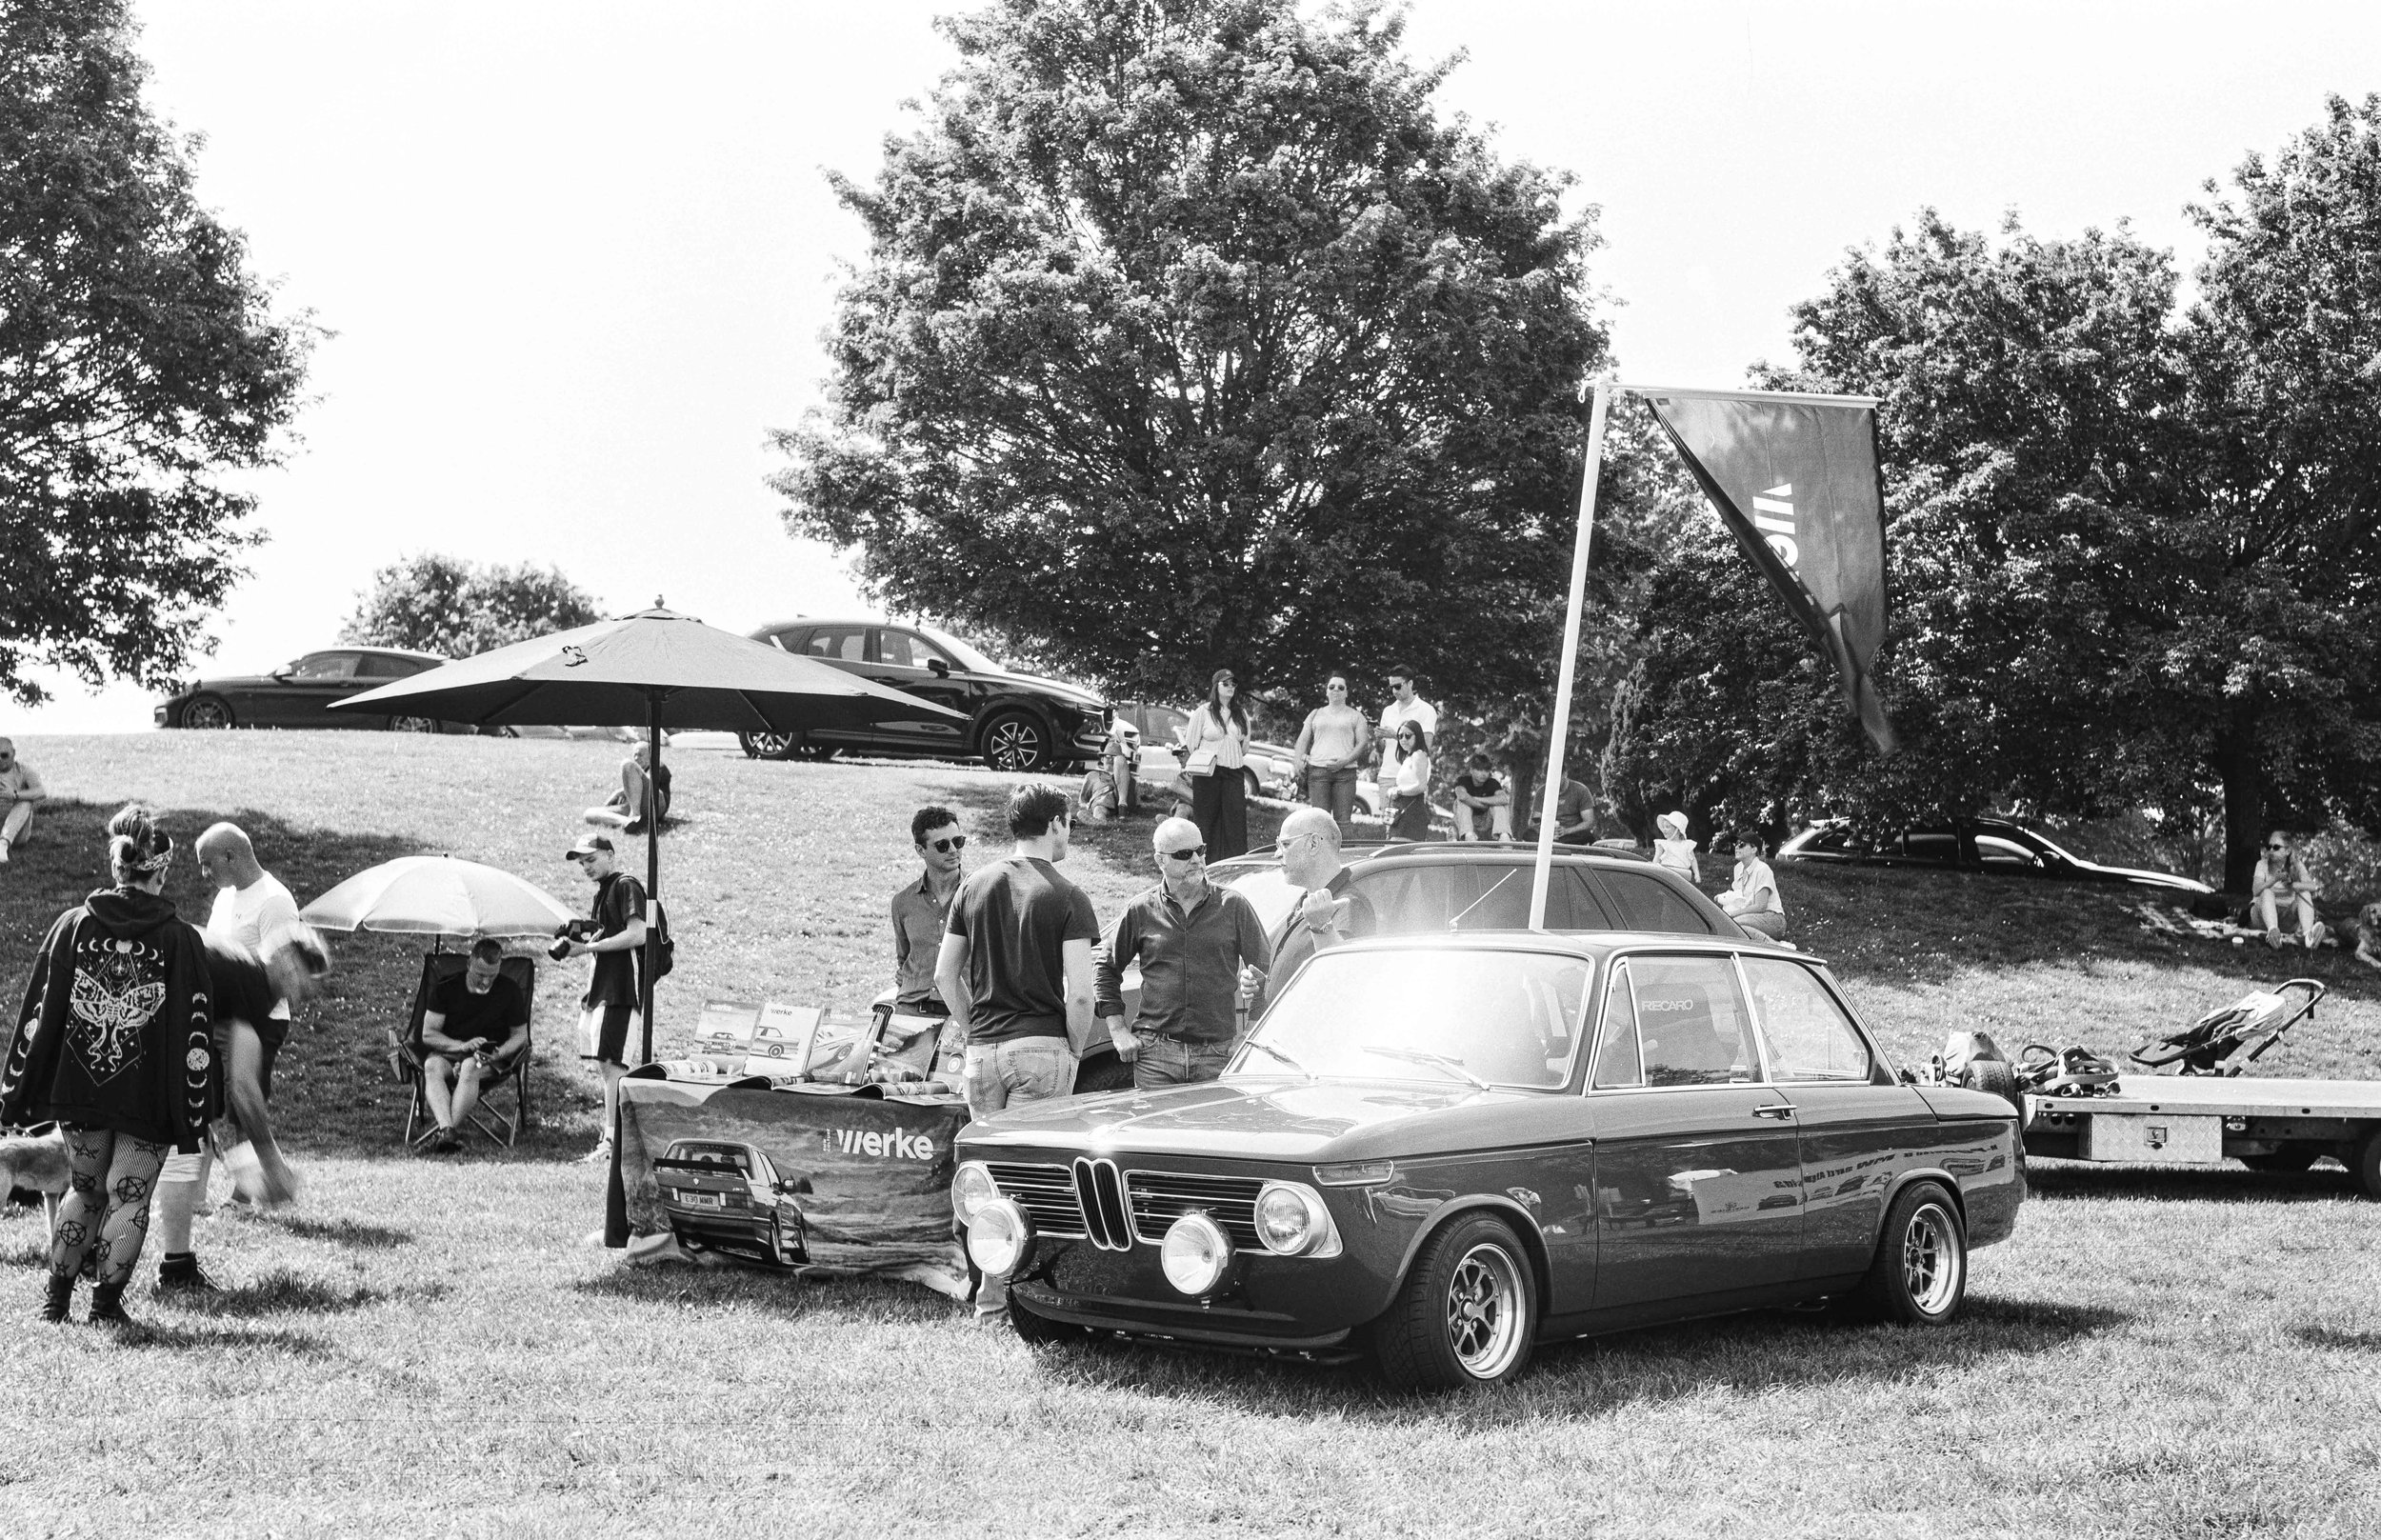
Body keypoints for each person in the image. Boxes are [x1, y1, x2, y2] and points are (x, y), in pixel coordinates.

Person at [3, 805, 212, 1327]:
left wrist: (23, 1086)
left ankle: (56, 1303)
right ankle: (104, 1307)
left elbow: (42, 1012)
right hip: (146, 1096)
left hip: (81, 1089)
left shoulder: (72, 926)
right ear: (160, 872)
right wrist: (194, 1102)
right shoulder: (180, 939)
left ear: (116, 865)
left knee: (85, 1188)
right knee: (129, 1196)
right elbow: (192, 1027)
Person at [934, 783, 1098, 1320]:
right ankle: (1025, 1302)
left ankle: (989, 1301)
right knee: (1031, 1181)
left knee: (989, 1178)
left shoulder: (973, 885)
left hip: (982, 1051)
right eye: (1068, 824)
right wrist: (1073, 1049)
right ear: (1055, 824)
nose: (1069, 833)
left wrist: (973, 1029)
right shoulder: (1068, 895)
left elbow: (944, 975)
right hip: (1041, 1047)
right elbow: (1081, 994)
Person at [152, 821, 306, 1294]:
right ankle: (218, 1190)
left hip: (240, 1014)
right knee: (215, 1103)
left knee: (229, 1104)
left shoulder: (274, 902)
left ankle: (240, 1192)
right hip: (210, 1012)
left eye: (207, 863)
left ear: (232, 856)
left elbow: (286, 962)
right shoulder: (227, 907)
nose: (203, 873)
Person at [1095, 817, 1272, 1090]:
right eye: (1184, 854)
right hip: (1155, 1055)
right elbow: (1106, 968)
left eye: (1200, 850)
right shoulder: (1141, 909)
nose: (1196, 860)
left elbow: (1267, 971)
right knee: (1155, 1122)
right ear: (1160, 860)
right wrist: (1118, 1030)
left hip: (1218, 1053)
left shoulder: (1233, 905)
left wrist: (1250, 1031)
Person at [561, 832, 648, 1165]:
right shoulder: (603, 892)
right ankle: (611, 1137)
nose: (586, 867)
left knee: (613, 1066)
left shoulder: (625, 885)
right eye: (582, 863)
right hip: (604, 990)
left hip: (622, 991)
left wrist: (588, 947)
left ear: (611, 855)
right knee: (606, 1066)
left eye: (591, 859)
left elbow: (637, 934)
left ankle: (615, 1142)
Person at [419, 937, 530, 1151]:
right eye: (480, 975)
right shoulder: (446, 987)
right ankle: (448, 1132)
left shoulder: (509, 990)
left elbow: (520, 1036)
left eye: (492, 975)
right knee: (431, 1066)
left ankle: (446, 1132)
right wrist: (460, 1046)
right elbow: (428, 1034)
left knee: (471, 1066)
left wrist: (499, 1053)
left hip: (491, 1058)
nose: (486, 982)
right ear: (469, 963)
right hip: (451, 1051)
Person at [1263, 808, 1379, 1002]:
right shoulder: (1306, 902)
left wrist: (1321, 926)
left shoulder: (1349, 904)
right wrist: (1265, 985)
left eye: (1285, 844)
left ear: (1314, 844)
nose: (1277, 854)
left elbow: (1344, 975)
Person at [892, 805, 967, 1014]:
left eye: (958, 841)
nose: (953, 850)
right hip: (911, 1008)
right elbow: (904, 959)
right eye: (942, 845)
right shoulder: (903, 902)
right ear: (920, 850)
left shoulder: (980, 896)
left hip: (963, 1012)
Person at [1180, 669, 1251, 862]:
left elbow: (1244, 746)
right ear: (1215, 687)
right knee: (1206, 819)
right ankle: (1203, 862)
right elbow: (1192, 743)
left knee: (1235, 820)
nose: (1230, 687)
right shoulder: (1203, 712)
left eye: (1233, 684)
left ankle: (1235, 863)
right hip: (1208, 773)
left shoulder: (1241, 714)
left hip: (1234, 772)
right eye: (1225, 683)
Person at [1292, 675, 1371, 829]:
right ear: (1326, 691)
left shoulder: (1356, 716)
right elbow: (1303, 739)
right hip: (1318, 772)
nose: (1336, 690)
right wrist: (1297, 761)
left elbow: (1362, 743)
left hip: (1345, 774)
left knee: (1343, 823)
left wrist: (1345, 761)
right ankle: (1321, 845)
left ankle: (1343, 845)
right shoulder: (1315, 714)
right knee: (1320, 821)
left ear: (1346, 693)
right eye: (1332, 687)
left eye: (1341, 687)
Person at [2251, 831, 2325, 950]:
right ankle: (2273, 933)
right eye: (2269, 847)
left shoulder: (2297, 865)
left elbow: (2313, 887)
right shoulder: (2262, 864)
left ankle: (2308, 936)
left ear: (2288, 851)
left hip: (2287, 918)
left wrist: (2293, 884)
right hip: (2262, 916)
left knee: (2304, 893)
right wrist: (2275, 879)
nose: (2271, 850)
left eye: (2276, 847)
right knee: (2266, 892)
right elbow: (2256, 890)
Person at [585, 744, 671, 836]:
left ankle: (636, 816)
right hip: (633, 806)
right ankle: (628, 822)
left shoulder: (658, 766)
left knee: (627, 764)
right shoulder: (635, 771)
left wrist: (617, 793)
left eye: (640, 755)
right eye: (635, 755)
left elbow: (649, 786)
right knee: (589, 813)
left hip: (656, 803)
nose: (636, 758)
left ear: (650, 755)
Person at [1717, 829, 1789, 940]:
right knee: (1734, 927)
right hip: (1750, 917)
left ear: (1754, 849)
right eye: (1736, 844)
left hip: (1773, 918)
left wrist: (1733, 914)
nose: (1737, 847)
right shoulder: (1738, 869)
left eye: (1741, 844)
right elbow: (1739, 899)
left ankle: (1774, 947)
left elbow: (1760, 906)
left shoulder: (1762, 869)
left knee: (1733, 923)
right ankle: (1772, 945)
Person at [1375, 666, 1438, 790]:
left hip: (1412, 778)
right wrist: (1379, 738)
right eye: (1391, 687)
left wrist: (1395, 735)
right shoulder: (1388, 710)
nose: (1394, 691)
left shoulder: (1426, 710)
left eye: (1398, 686)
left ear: (1410, 684)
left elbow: (1425, 746)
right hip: (1387, 775)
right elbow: (1381, 749)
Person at [1386, 722, 1433, 842]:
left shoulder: (1419, 755)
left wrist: (1399, 791)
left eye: (1407, 735)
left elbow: (1421, 786)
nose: (1403, 739)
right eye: (1400, 736)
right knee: (1392, 849)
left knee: (1397, 850)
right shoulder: (1409, 757)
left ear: (1418, 736)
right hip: (1401, 810)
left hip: (1412, 811)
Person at [0, 737, 45, 864]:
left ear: (13, 753)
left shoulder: (23, 771)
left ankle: (3, 845)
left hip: (17, 831)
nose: (0, 759)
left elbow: (41, 792)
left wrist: (16, 795)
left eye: (4, 755)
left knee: (26, 802)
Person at [1451, 753, 1510, 842]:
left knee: (1499, 806)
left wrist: (1476, 799)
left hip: (1487, 822)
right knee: (1461, 803)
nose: (1484, 774)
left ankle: (1503, 836)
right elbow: (1462, 796)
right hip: (1466, 822)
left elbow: (1504, 799)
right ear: (1471, 770)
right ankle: (1469, 835)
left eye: (1486, 770)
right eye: (1479, 770)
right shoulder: (1463, 781)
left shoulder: (1492, 783)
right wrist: (1482, 806)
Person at [1547, 775, 1596, 846]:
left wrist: (1566, 831)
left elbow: (1589, 822)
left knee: (1587, 836)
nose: (1554, 781)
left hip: (1573, 834)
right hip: (1548, 834)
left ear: (1565, 774)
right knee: (1530, 834)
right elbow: (1535, 821)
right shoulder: (1542, 791)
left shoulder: (1581, 790)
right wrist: (1547, 830)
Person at [1651, 810, 1700, 883]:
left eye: (1667, 827)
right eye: (1663, 827)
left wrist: (1697, 874)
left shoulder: (1687, 844)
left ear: (1677, 829)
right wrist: (1653, 873)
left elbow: (1693, 859)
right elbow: (1656, 860)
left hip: (1682, 876)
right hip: (1667, 875)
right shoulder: (1663, 844)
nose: (1664, 829)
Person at [2354, 902, 2381, 974]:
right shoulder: (2363, 931)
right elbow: (2359, 953)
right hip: (2365, 931)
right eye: (2373, 912)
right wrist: (2375, 963)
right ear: (2366, 915)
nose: (2379, 915)